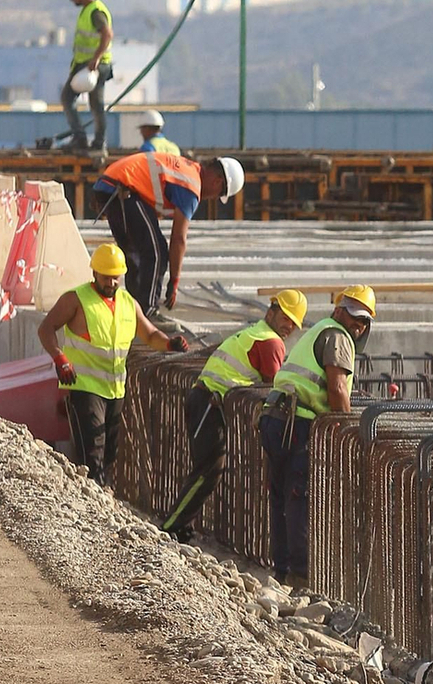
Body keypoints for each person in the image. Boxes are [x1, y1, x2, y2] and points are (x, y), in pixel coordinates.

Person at [162, 290, 308, 542]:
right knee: (208, 470)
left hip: (205, 400)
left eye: (294, 323)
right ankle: (172, 526)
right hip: (209, 403)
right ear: (271, 311)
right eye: (286, 318)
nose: (289, 327)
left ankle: (181, 524)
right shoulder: (270, 341)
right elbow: (273, 385)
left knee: (208, 469)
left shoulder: (254, 332)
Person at [37, 242, 184, 484]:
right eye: (106, 278)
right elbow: (46, 329)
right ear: (94, 272)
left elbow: (149, 334)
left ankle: (103, 498)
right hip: (84, 387)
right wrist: (60, 358)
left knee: (109, 454)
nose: (111, 283)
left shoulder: (128, 303)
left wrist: (169, 344)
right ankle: (91, 501)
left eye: (116, 278)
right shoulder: (76, 300)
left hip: (115, 390)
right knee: (91, 454)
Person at [260, 285, 377, 583]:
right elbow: (338, 390)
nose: (357, 324)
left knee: (282, 497)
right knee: (299, 498)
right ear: (339, 311)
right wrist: (350, 430)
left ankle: (283, 570)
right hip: (296, 424)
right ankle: (301, 575)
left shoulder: (319, 329)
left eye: (362, 320)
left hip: (277, 417)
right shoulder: (338, 336)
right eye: (352, 315)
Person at [91, 144, 246, 316]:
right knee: (157, 253)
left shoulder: (188, 170)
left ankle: (133, 314)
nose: (213, 198)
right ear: (217, 182)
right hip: (123, 190)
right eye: (219, 194)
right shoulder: (192, 186)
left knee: (135, 257)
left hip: (111, 187)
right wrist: (174, 281)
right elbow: (179, 238)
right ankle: (147, 313)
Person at [62, 0, 114, 152]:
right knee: (69, 98)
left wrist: (96, 58)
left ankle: (96, 142)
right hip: (84, 64)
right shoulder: (86, 11)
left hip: (94, 65)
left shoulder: (95, 11)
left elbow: (107, 35)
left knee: (95, 104)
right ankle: (81, 138)